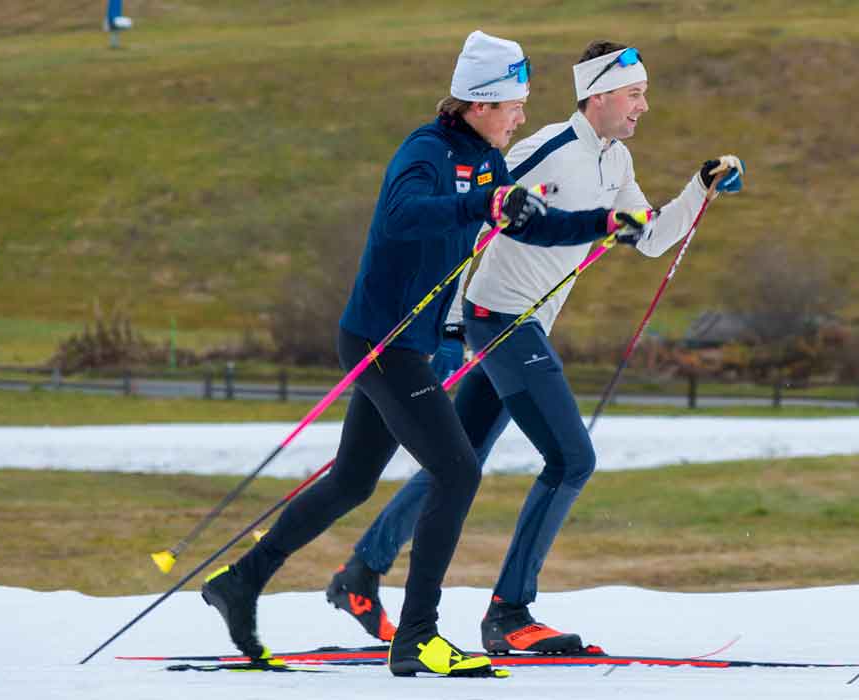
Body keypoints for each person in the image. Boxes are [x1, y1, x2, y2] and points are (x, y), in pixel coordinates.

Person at [200, 30, 655, 678]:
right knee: (458, 470)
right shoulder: (427, 151)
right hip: (381, 342)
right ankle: (417, 636)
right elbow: (407, 214)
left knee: (353, 481)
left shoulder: (489, 161)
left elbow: (529, 224)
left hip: (409, 344)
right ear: (481, 103)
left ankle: (241, 582)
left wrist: (600, 225)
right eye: (514, 105)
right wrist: (482, 203)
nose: (523, 115)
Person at [325, 40, 745, 655]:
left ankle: (361, 573)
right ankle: (509, 613)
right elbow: (474, 218)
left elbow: (648, 238)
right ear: (598, 94)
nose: (643, 107)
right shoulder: (546, 148)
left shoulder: (616, 163)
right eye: (634, 94)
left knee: (458, 456)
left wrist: (698, 188)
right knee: (572, 459)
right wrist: (445, 327)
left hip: (525, 324)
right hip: (497, 319)